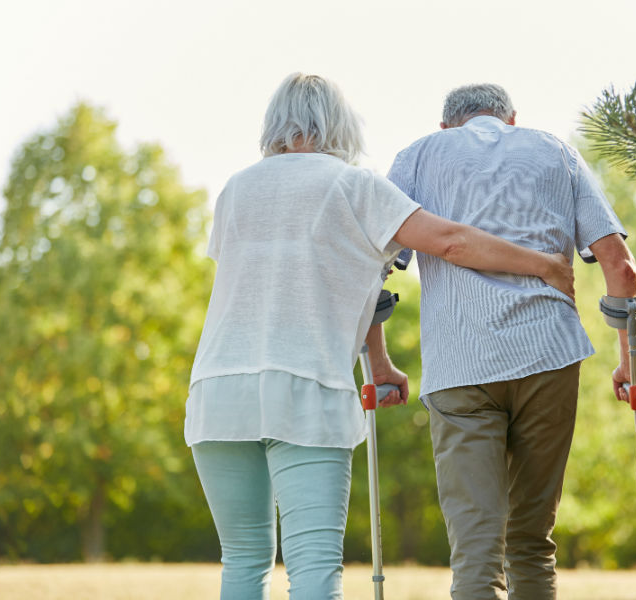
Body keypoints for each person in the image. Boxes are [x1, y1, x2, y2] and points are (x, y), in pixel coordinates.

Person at [184, 73, 575, 600]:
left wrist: (379, 363)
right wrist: (545, 265)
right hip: (307, 391)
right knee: (315, 569)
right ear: (342, 124)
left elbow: (313, 282)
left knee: (245, 558)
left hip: (217, 391)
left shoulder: (236, 188)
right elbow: (451, 242)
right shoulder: (353, 186)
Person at [388, 83, 636, 600]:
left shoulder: (417, 156)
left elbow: (371, 268)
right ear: (511, 119)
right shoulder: (555, 150)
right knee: (531, 543)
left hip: (460, 365)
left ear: (447, 126)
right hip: (548, 357)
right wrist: (630, 362)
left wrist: (378, 362)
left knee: (476, 552)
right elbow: (621, 268)